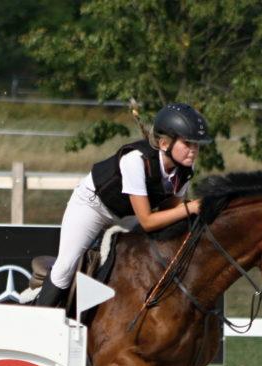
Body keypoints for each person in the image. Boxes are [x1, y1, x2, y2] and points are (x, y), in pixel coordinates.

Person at [34, 103, 213, 308]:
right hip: (93, 206)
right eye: (188, 143)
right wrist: (191, 207)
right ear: (164, 144)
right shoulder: (135, 160)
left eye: (196, 145)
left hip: (126, 216)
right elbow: (147, 221)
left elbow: (169, 212)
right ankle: (40, 319)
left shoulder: (185, 169)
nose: (193, 150)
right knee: (65, 267)